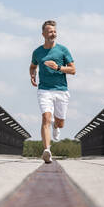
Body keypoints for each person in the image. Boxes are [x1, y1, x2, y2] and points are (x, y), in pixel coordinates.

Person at [29, 20, 76, 163]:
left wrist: (58, 68)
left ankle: (56, 125)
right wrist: (32, 74)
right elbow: (32, 66)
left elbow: (73, 70)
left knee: (60, 122)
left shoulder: (63, 50)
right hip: (44, 90)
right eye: (50, 31)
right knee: (46, 118)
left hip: (61, 90)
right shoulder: (37, 52)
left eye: (54, 31)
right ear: (43, 34)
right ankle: (47, 150)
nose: (53, 34)